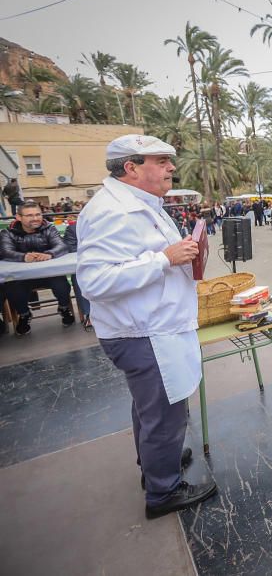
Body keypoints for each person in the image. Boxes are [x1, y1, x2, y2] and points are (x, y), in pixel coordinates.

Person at [76, 134, 217, 519]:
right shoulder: (113, 212)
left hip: (154, 328)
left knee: (149, 409)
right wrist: (164, 259)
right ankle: (163, 491)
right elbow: (94, 282)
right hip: (144, 333)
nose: (172, 167)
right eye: (161, 161)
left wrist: (183, 254)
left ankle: (157, 462)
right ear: (131, 168)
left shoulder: (140, 204)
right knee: (164, 415)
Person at [0, 201, 75, 334]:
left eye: (38, 214)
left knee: (62, 284)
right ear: (18, 217)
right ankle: (24, 314)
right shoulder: (7, 232)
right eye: (29, 215)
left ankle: (63, 308)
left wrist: (49, 254)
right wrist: (24, 257)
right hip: (21, 277)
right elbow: (5, 251)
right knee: (11, 288)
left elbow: (62, 246)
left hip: (48, 274)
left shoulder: (49, 228)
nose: (35, 218)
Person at [62, 221, 92, 331]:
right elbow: (70, 249)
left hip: (110, 264)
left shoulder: (111, 225)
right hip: (86, 265)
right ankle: (89, 314)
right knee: (78, 276)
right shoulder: (74, 229)